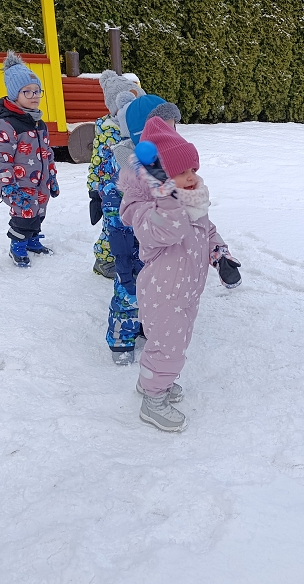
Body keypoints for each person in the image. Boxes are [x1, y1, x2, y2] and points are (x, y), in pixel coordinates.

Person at [119, 117, 241, 431]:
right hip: (162, 294)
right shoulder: (146, 212)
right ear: (160, 179)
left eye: (193, 170)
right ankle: (153, 400)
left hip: (187, 291)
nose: (191, 178)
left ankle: (150, 383)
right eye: (181, 173)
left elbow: (208, 231)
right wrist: (164, 193)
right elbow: (170, 230)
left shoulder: (191, 201)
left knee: (172, 344)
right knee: (167, 348)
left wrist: (221, 256)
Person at [105, 95, 183, 366]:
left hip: (157, 255)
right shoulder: (127, 174)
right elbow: (118, 225)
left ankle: (143, 326)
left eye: (174, 127)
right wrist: (124, 261)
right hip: (131, 249)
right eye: (167, 128)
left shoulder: (166, 167)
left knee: (152, 297)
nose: (173, 134)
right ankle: (120, 339)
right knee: (127, 296)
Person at [0, 51, 60, 267]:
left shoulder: (39, 122)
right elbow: (1, 159)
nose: (34, 95)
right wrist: (7, 186)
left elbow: (47, 152)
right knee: (23, 214)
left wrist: (53, 177)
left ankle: (31, 240)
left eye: (37, 91)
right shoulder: (7, 124)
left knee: (39, 211)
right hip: (20, 183)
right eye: (27, 91)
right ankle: (17, 245)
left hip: (41, 180)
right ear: (14, 95)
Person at [87, 70, 145, 279]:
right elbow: (97, 163)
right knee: (113, 228)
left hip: (138, 186)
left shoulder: (141, 127)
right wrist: (94, 191)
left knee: (136, 224)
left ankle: (135, 257)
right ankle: (104, 260)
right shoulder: (107, 131)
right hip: (112, 190)